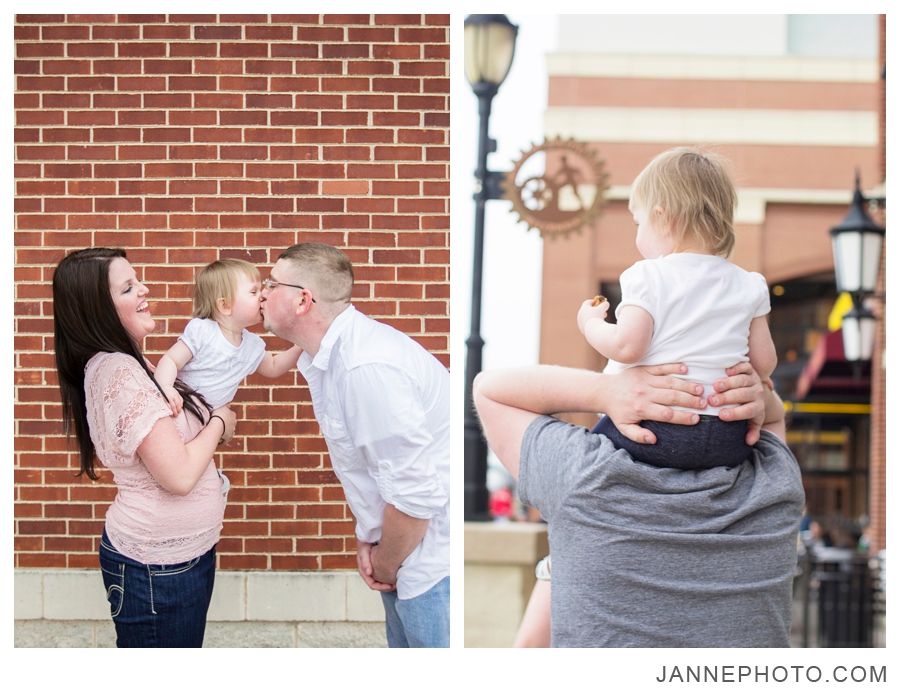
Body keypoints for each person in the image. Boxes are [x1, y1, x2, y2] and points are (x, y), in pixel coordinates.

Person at [475, 362, 804, 647]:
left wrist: (606, 390)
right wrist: (757, 396)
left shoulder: (584, 480)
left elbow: (491, 389)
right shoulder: (773, 488)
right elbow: (772, 418)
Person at [259, 242, 450, 648]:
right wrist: (370, 535)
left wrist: (385, 561)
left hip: (431, 568)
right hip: (407, 557)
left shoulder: (365, 367)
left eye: (271, 283)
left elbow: (416, 495)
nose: (261, 291)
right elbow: (377, 471)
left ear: (302, 300)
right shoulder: (336, 357)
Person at [52, 248, 237, 647]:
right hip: (158, 569)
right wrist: (222, 419)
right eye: (128, 287)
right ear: (97, 308)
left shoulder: (132, 364)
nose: (144, 289)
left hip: (175, 561)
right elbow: (179, 476)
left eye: (138, 280)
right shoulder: (119, 371)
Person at [577, 147, 777, 469]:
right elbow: (764, 362)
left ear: (662, 218)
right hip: (727, 435)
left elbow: (627, 346)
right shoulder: (749, 283)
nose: (637, 234)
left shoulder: (648, 275)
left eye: (638, 222)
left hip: (654, 428)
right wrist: (760, 381)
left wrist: (589, 324)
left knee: (589, 452)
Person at [154, 259, 302, 498]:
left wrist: (300, 345)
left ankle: (205, 490)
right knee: (170, 468)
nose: (262, 296)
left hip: (205, 423)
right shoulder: (203, 332)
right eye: (253, 292)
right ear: (224, 306)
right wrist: (165, 388)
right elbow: (171, 360)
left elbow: (273, 367)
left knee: (196, 463)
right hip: (179, 412)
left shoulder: (252, 345)